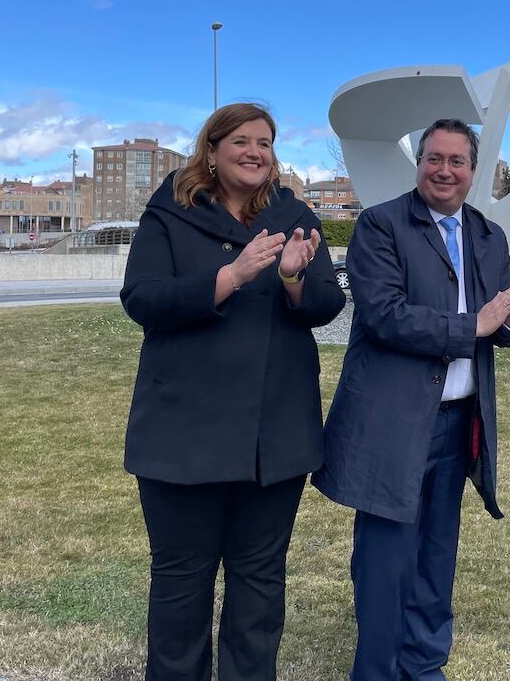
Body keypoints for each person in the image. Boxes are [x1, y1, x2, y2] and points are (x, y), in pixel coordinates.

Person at [121, 102, 346, 681]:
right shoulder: (171, 210)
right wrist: (232, 276)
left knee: (259, 587)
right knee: (181, 586)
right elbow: (142, 299)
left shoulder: (295, 213)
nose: (255, 152)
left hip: (273, 443)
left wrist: (294, 276)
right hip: (182, 439)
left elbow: (326, 305)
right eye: (242, 141)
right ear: (213, 150)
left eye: (265, 143)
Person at [313, 118, 510, 680]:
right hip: (394, 423)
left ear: (473, 169)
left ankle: (424, 665)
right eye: (433, 158)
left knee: (437, 554)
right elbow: (385, 315)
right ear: (419, 163)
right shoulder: (380, 225)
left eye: (456, 161)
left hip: (459, 422)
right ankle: (376, 671)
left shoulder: (489, 235)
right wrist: (475, 324)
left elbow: (497, 322)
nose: (444, 170)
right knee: (386, 559)